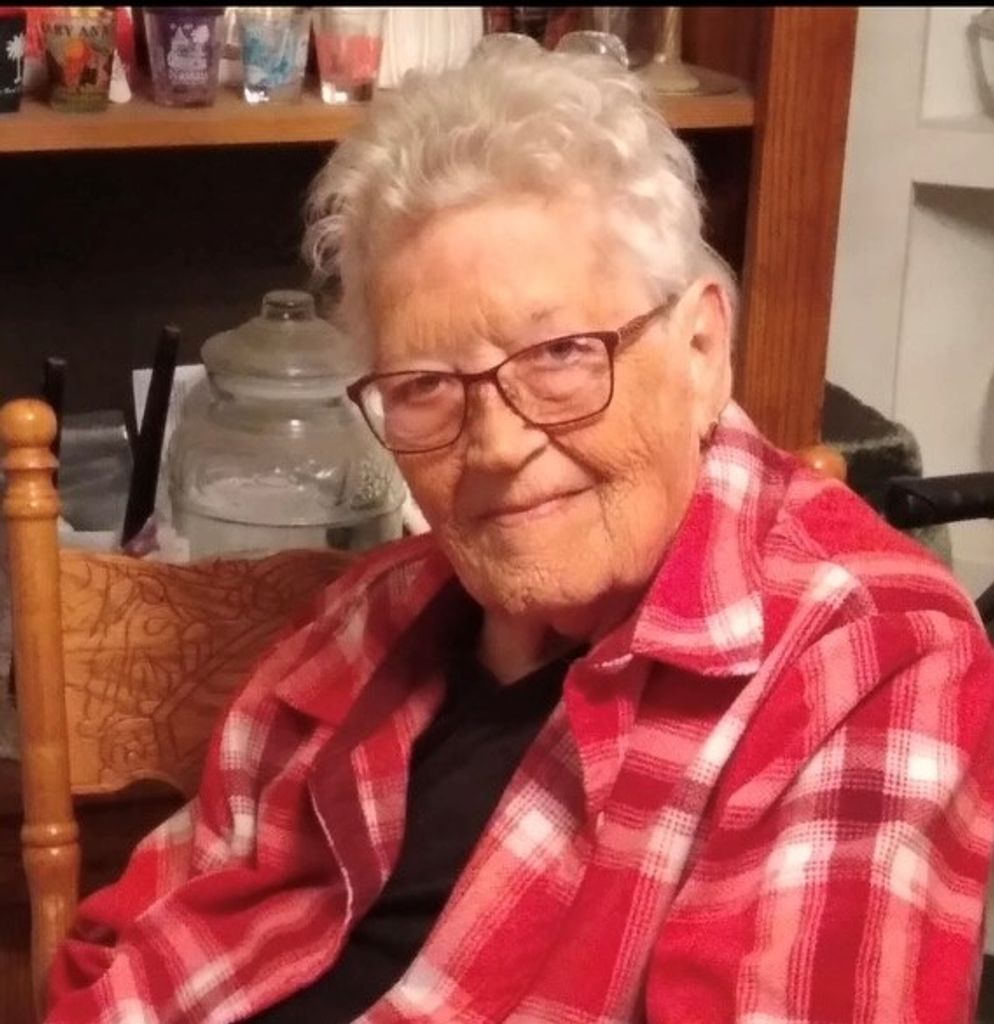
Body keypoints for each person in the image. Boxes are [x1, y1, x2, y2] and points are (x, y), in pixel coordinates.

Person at [47, 48, 994, 1024]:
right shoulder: (366, 618)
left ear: (702, 350)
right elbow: (128, 955)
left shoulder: (870, 655)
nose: (495, 446)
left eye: (561, 355)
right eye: (424, 385)